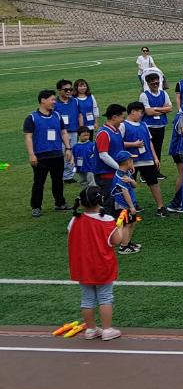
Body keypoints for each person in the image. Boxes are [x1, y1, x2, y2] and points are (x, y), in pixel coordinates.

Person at [67, 186, 127, 341]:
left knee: (87, 299)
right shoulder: (107, 220)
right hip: (102, 265)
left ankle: (91, 329)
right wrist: (120, 227)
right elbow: (116, 241)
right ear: (100, 201)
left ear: (81, 203)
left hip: (82, 266)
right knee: (105, 297)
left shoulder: (74, 220)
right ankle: (107, 329)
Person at [26, 88, 72, 217]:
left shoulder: (57, 115)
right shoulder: (32, 118)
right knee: (39, 182)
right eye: (52, 99)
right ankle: (36, 207)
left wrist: (68, 148)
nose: (54, 102)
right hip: (40, 156)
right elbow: (28, 137)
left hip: (57, 154)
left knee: (58, 181)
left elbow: (63, 132)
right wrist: (31, 154)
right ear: (43, 100)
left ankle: (60, 203)